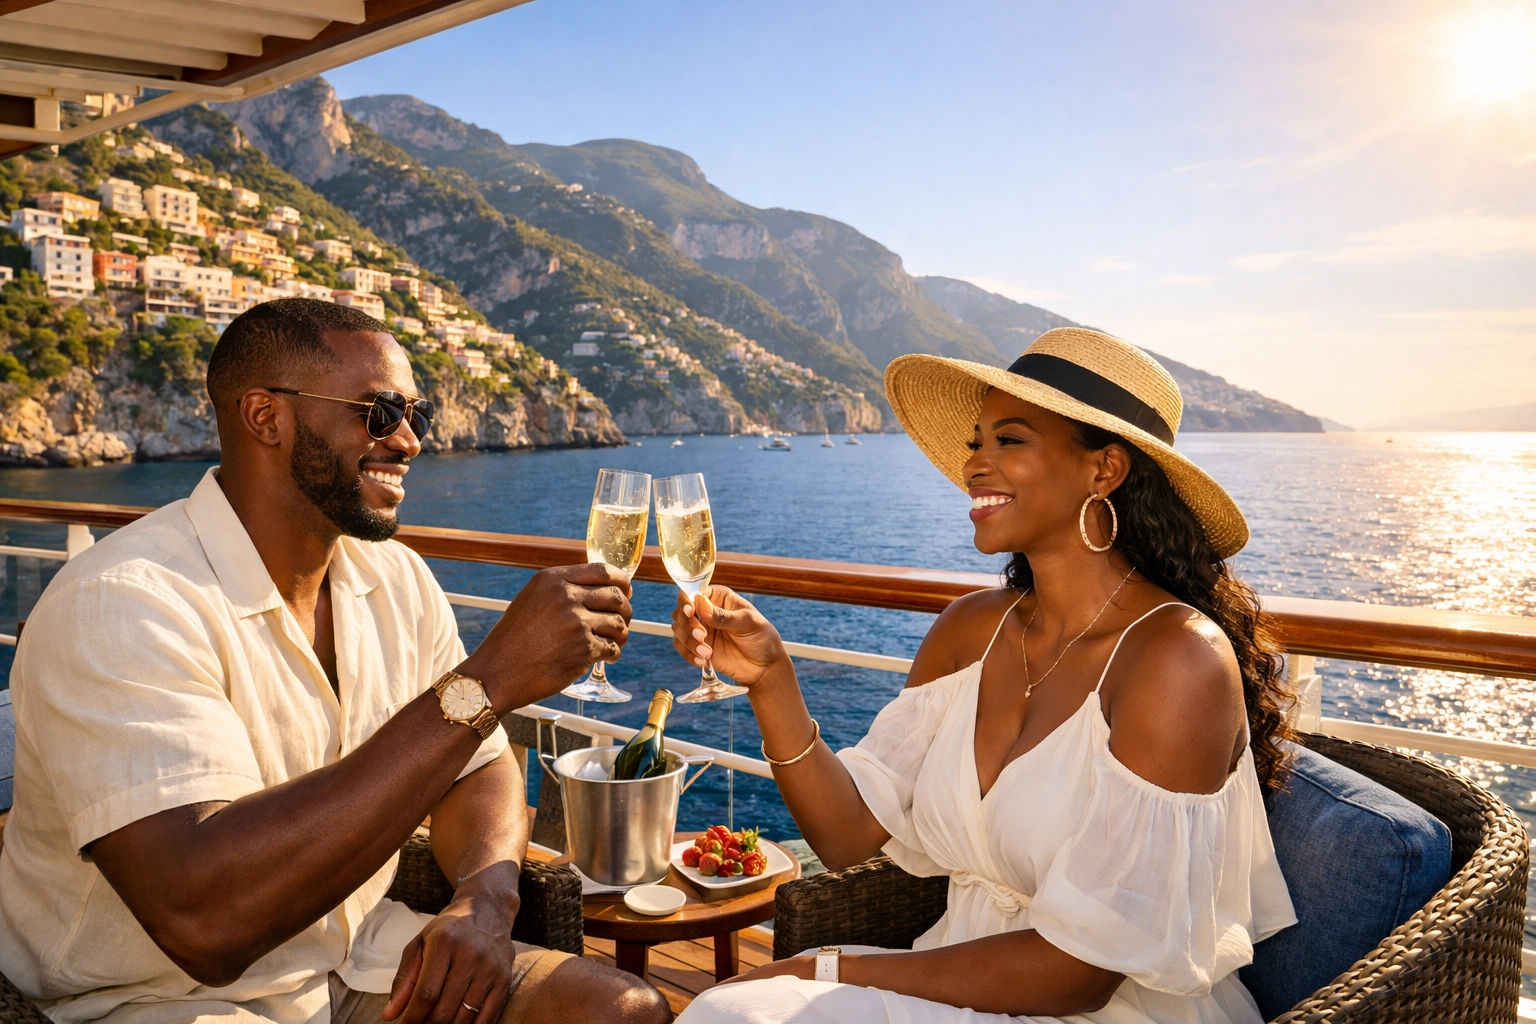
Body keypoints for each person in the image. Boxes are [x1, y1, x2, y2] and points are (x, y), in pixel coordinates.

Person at [0, 299, 671, 1024]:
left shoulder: (397, 580)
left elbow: (479, 766)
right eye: (380, 411)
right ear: (266, 417)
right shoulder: (122, 603)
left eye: (419, 413)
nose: (409, 440)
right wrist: (489, 679)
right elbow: (205, 926)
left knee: (623, 1010)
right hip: (148, 998)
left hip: (352, 958)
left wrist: (485, 897)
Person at [670, 328, 1297, 1023]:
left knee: (733, 1015)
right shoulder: (971, 628)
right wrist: (770, 679)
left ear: (1104, 470)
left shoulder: (1176, 659)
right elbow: (847, 836)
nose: (975, 464)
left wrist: (829, 966)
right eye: (976, 442)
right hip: (957, 976)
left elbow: (1077, 978)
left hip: (1104, 1010)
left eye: (1010, 440)